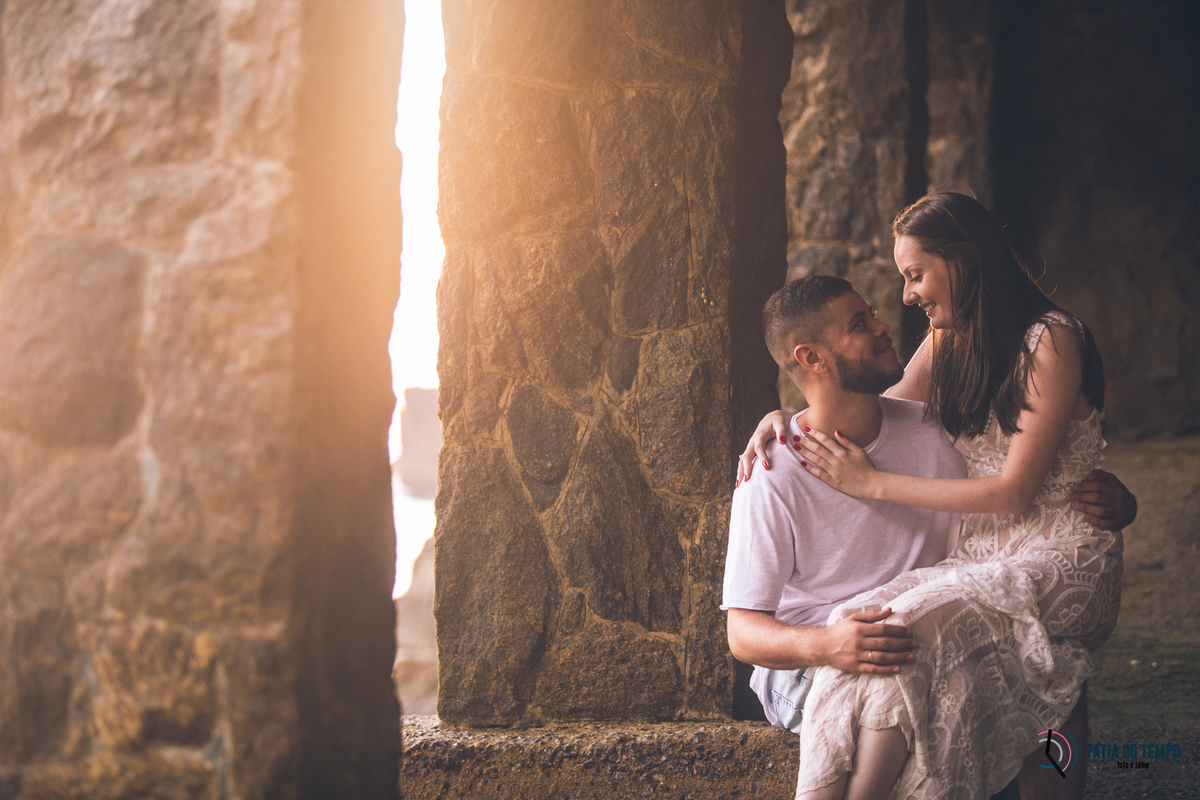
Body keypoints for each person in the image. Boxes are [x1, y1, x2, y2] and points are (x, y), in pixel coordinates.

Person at [737, 192, 1129, 799]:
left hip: (1056, 551)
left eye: (915, 274)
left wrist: (868, 481)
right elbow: (867, 401)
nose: (905, 297)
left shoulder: (1050, 340)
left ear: (964, 262)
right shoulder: (949, 342)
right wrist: (784, 416)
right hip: (982, 560)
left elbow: (1015, 492)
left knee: (934, 635)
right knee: (1020, 665)